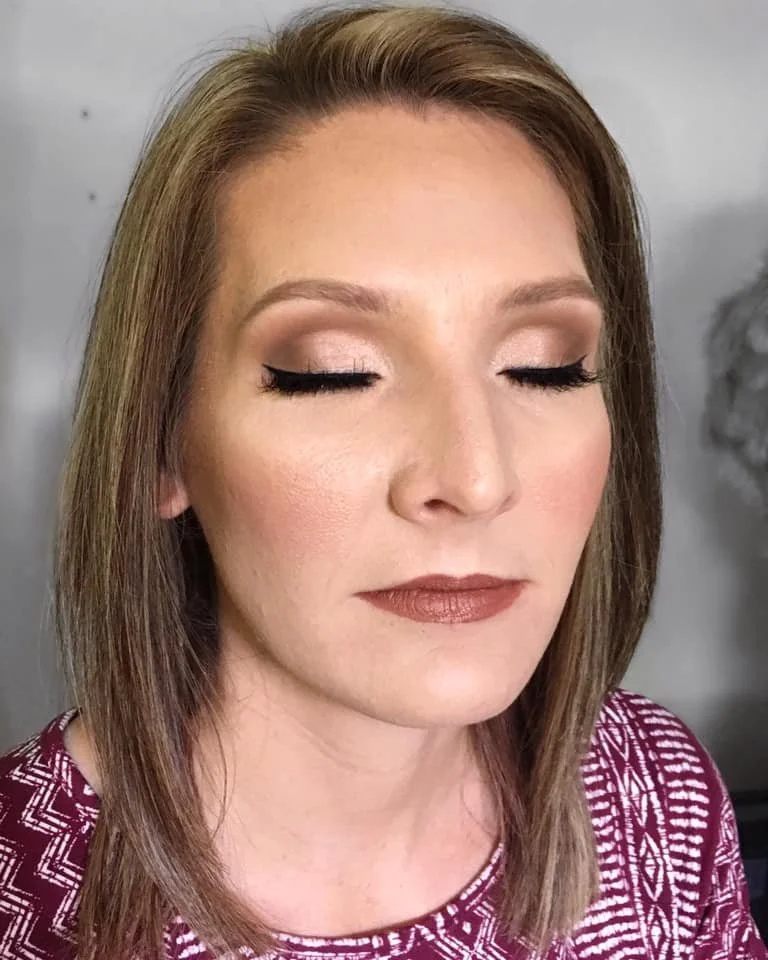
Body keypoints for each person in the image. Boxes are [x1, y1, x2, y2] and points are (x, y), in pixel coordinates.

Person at [0, 3, 765, 958]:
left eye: (544, 366)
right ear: (163, 443)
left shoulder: (652, 791)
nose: (475, 478)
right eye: (332, 373)